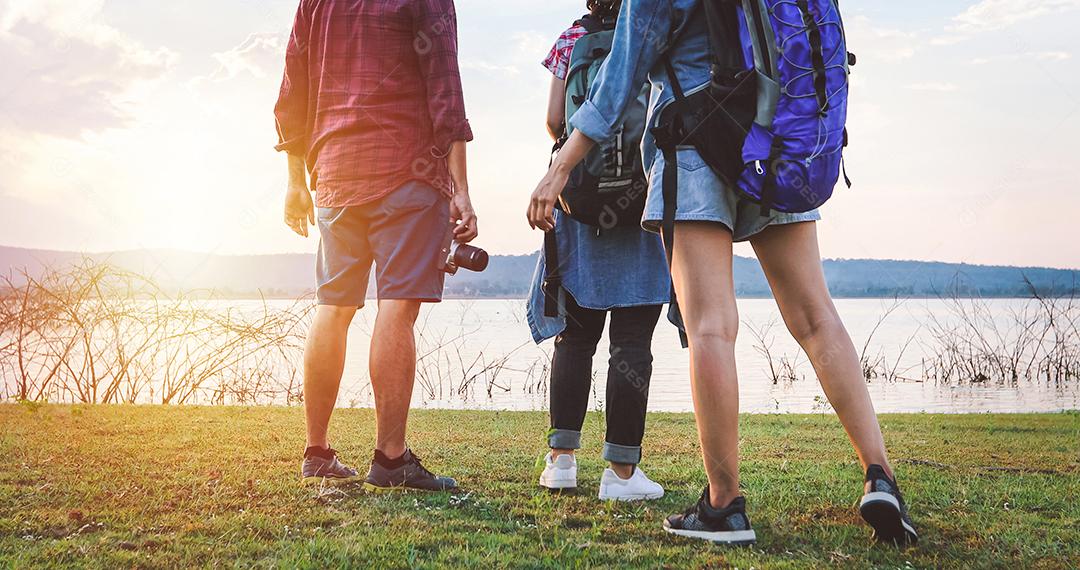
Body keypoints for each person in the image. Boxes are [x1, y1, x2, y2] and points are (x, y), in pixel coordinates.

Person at [527, 0, 918, 545]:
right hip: (776, 141)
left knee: (710, 326)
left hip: (695, 147)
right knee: (816, 318)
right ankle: (880, 476)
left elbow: (620, 77)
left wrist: (560, 168)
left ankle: (723, 505)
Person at [274, 0, 477, 491]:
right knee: (397, 305)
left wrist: (295, 182)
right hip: (408, 170)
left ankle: (317, 452)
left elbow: (292, 90)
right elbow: (445, 90)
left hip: (334, 172)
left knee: (333, 307)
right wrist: (462, 189)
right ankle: (390, 459)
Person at [528, 0, 670, 502]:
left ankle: (561, 461)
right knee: (631, 345)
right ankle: (622, 473)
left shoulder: (571, 39)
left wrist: (577, 163)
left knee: (575, 339)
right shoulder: (656, 30)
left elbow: (554, 119)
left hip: (580, 202)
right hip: (643, 204)